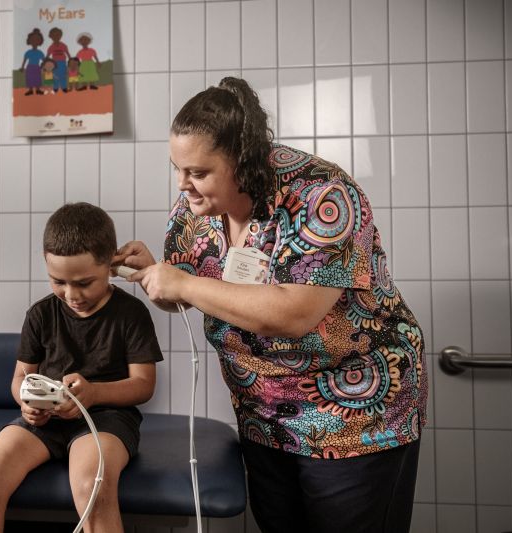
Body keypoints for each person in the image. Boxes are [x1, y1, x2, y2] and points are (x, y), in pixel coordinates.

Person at [113, 77, 428, 533]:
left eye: (198, 172)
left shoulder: (321, 194)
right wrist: (152, 276)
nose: (183, 185)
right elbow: (192, 292)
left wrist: (182, 283)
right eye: (176, 169)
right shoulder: (193, 211)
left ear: (242, 162)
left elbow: (293, 314)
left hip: (355, 417)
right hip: (263, 415)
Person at [0, 202, 164, 533]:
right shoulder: (41, 314)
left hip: (106, 417)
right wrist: (26, 402)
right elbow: (21, 378)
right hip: (48, 418)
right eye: (59, 281)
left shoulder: (131, 314)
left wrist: (94, 393)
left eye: (85, 282)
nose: (72, 294)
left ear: (111, 264)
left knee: (92, 486)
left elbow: (144, 385)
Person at [19, 28, 44, 96]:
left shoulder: (40, 52)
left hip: (37, 67)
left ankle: (38, 90)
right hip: (30, 67)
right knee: (30, 79)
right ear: (30, 41)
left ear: (39, 41)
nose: (35, 42)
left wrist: (44, 67)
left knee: (37, 78)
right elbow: (25, 60)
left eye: (37, 40)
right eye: (33, 40)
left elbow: (44, 60)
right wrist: (22, 67)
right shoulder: (28, 52)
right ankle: (30, 90)